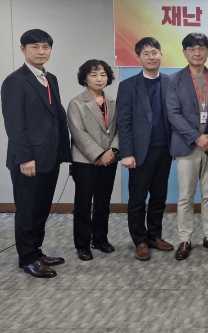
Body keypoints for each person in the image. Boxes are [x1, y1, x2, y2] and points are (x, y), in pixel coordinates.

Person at [1, 29, 71, 278]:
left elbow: (55, 117)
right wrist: (25, 158)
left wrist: (63, 151)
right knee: (27, 210)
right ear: (23, 49)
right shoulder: (14, 81)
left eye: (45, 47)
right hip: (28, 160)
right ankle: (28, 258)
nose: (41, 52)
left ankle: (36, 252)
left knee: (41, 209)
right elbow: (14, 125)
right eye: (35, 47)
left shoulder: (50, 78)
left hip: (49, 157)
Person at [167, 32, 208, 260]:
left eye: (201, 48)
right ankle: (185, 238)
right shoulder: (174, 80)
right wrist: (196, 137)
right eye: (192, 49)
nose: (197, 53)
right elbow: (173, 114)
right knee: (186, 195)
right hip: (186, 145)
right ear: (184, 53)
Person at [117, 37, 174, 261]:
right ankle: (139, 240)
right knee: (138, 199)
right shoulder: (128, 85)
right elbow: (123, 121)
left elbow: (175, 117)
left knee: (159, 197)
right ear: (139, 58)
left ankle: (154, 236)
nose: (151, 57)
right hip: (140, 152)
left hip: (165, 150)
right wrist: (127, 153)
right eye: (146, 54)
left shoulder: (170, 82)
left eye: (154, 52)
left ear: (161, 55)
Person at [67, 60, 120, 261]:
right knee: (83, 204)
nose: (99, 79)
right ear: (85, 78)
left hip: (110, 159)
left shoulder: (113, 102)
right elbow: (78, 133)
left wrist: (112, 151)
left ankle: (100, 239)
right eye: (94, 74)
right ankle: (82, 244)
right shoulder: (77, 103)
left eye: (103, 75)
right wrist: (99, 154)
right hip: (85, 161)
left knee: (103, 202)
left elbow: (119, 129)